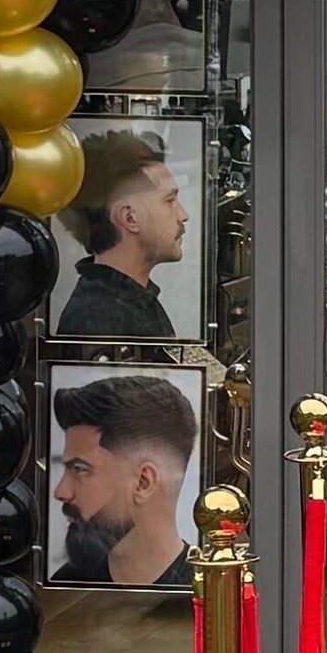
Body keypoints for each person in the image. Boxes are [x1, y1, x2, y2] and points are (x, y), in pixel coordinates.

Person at [50, 372, 203, 588]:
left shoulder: (205, 596)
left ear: (143, 483)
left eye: (80, 469)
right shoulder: (67, 587)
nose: (60, 491)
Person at [52, 126, 187, 342]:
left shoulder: (124, 304)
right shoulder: (100, 321)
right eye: (169, 201)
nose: (183, 215)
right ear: (130, 218)